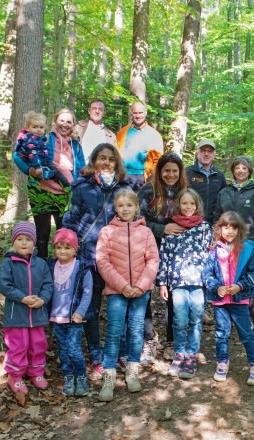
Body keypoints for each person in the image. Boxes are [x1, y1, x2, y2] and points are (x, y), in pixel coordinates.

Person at [62, 143, 132, 382]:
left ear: (117, 162)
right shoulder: (82, 187)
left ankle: (120, 351)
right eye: (102, 158)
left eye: (111, 159)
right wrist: (68, 246)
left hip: (116, 256)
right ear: (94, 160)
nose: (106, 163)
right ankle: (96, 354)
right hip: (88, 255)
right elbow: (71, 219)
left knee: (118, 305)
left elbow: (132, 219)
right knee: (90, 307)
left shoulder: (125, 187)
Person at [96, 190, 159, 402]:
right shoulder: (107, 231)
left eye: (129, 205)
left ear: (136, 207)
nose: (125, 209)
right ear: (115, 208)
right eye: (121, 205)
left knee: (136, 330)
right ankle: (109, 376)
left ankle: (132, 370)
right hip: (117, 291)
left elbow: (153, 260)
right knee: (114, 331)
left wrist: (141, 286)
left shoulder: (146, 232)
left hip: (141, 291)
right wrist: (122, 286)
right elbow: (102, 261)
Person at [156, 188, 213, 379]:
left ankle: (191, 355)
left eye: (192, 204)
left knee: (196, 319)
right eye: (184, 203)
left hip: (198, 282)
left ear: (197, 206)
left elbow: (211, 254)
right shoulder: (172, 228)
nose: (188, 207)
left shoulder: (204, 228)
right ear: (178, 205)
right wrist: (162, 283)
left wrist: (212, 279)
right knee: (179, 319)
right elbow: (164, 257)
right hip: (177, 282)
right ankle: (179, 354)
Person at [13, 109, 85, 258]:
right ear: (55, 122)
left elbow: (82, 167)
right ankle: (42, 267)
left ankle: (61, 269)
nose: (65, 125)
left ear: (73, 125)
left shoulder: (76, 145)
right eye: (62, 121)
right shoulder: (43, 138)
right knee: (42, 234)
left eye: (69, 122)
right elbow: (17, 154)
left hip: (65, 195)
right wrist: (29, 170)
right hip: (42, 191)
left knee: (64, 234)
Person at [202, 211, 254, 385]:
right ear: (219, 229)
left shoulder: (248, 249)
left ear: (240, 230)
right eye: (225, 227)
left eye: (233, 228)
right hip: (220, 301)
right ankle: (222, 362)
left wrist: (240, 286)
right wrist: (217, 287)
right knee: (221, 333)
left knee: (246, 333)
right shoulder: (214, 251)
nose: (229, 231)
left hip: (239, 300)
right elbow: (207, 274)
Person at [137, 153, 189, 362]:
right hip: (149, 249)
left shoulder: (185, 192)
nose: (170, 174)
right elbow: (138, 219)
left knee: (174, 296)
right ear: (159, 171)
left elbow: (193, 217)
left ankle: (172, 340)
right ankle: (148, 340)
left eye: (174, 171)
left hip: (176, 252)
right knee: (146, 294)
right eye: (166, 170)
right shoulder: (148, 191)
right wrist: (162, 228)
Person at [213, 155, 254, 322]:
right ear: (233, 170)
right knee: (228, 276)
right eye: (237, 168)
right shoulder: (224, 192)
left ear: (249, 171)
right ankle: (229, 314)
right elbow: (217, 216)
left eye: (244, 168)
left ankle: (250, 316)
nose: (240, 171)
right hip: (225, 242)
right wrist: (215, 238)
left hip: (250, 241)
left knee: (249, 277)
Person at [0, 222, 53, 397]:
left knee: (38, 344)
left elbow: (48, 284)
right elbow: (4, 286)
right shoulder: (8, 262)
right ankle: (15, 376)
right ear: (13, 242)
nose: (23, 243)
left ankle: (36, 372)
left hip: (37, 314)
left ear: (34, 243)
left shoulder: (41, 264)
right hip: (17, 314)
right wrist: (22, 298)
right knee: (19, 345)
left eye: (28, 239)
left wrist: (42, 299)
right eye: (19, 239)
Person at [48, 228, 93, 397]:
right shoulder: (51, 266)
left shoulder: (82, 268)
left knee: (74, 348)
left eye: (67, 247)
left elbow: (87, 292)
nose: (62, 251)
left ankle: (81, 377)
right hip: (56, 316)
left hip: (74, 317)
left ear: (75, 249)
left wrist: (80, 312)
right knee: (63, 349)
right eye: (58, 247)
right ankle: (68, 377)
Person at [116, 102, 164, 191]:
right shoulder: (123, 132)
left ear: (145, 113)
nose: (138, 116)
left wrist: (153, 178)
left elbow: (159, 160)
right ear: (131, 113)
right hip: (124, 176)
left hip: (144, 177)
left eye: (140, 113)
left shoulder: (154, 135)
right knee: (124, 203)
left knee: (141, 204)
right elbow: (116, 154)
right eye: (135, 113)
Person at [14, 111, 70, 187]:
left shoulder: (39, 139)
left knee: (50, 174)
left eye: (41, 127)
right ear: (28, 128)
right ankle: (67, 186)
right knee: (55, 173)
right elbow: (31, 154)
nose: (38, 130)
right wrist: (35, 168)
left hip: (40, 164)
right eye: (35, 127)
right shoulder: (32, 140)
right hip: (38, 165)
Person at [185, 139, 226, 223]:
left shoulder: (219, 175)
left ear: (214, 155)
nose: (206, 154)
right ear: (197, 153)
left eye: (210, 151)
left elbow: (223, 200)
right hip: (191, 221)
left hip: (213, 222)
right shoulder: (187, 172)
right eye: (203, 151)